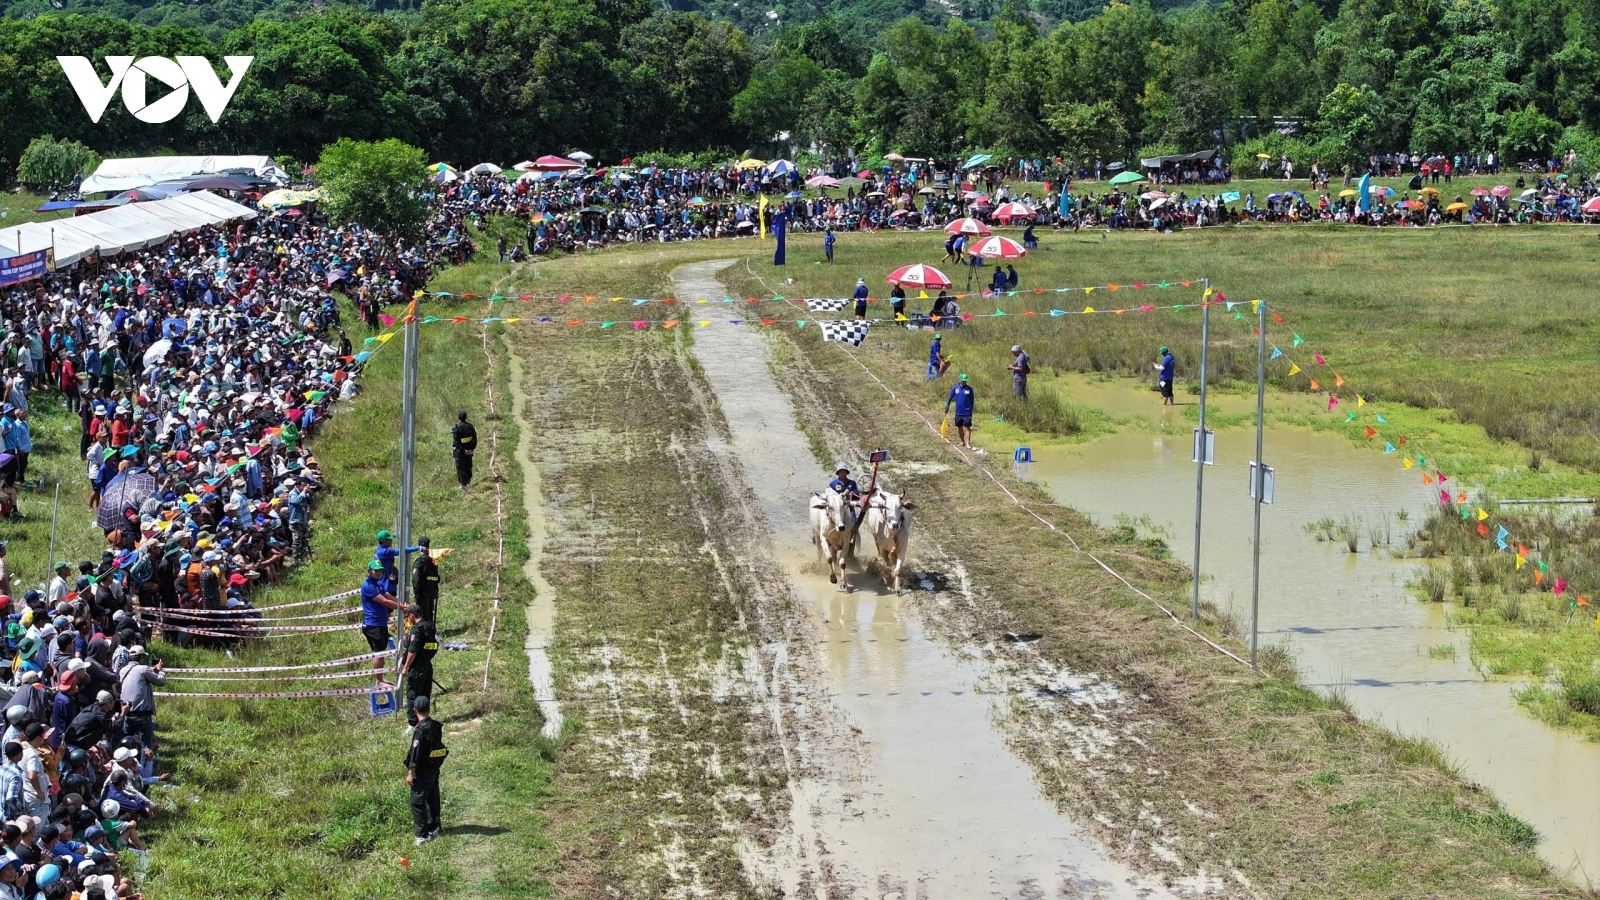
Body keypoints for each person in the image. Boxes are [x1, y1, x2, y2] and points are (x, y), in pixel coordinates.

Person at [405, 695, 447, 845]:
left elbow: (415, 754)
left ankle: (422, 835)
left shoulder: (420, 730)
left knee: (417, 801)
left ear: (415, 710)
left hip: (422, 771)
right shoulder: (436, 726)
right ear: (429, 708)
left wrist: (411, 773)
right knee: (432, 797)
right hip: (434, 768)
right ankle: (433, 826)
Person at [118, 648, 164, 758]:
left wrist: (152, 670)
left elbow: (137, 674)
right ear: (141, 657)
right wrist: (160, 670)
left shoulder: (123, 670)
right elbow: (161, 681)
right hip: (143, 713)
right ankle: (145, 767)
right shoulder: (144, 669)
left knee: (128, 743)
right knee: (146, 746)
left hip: (127, 713)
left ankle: (128, 764)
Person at [360, 561, 399, 687]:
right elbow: (384, 601)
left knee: (382, 651)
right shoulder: (368, 586)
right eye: (375, 570)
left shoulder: (379, 583)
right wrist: (401, 607)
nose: (378, 573)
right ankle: (379, 680)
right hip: (373, 624)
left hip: (381, 623)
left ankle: (381, 678)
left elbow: (387, 596)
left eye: (380, 570)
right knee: (378, 652)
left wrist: (400, 602)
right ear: (369, 571)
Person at [399, 604, 438, 727]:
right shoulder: (428, 626)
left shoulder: (416, 629)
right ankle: (424, 719)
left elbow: (413, 651)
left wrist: (405, 667)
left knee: (413, 694)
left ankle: (413, 723)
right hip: (427, 664)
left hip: (417, 667)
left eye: (408, 616)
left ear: (411, 616)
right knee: (425, 694)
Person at [412, 536, 441, 622]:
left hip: (422, 592)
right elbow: (436, 577)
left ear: (419, 546)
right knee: (430, 613)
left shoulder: (419, 562)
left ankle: (426, 629)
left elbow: (416, 578)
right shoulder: (433, 561)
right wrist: (436, 590)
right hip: (432, 591)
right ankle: (430, 628)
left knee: (422, 614)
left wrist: (416, 592)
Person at [945, 374, 977, 451]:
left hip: (967, 412)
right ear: (959, 380)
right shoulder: (955, 388)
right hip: (958, 412)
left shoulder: (969, 389)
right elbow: (949, 398)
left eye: (965, 381)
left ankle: (968, 443)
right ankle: (962, 442)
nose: (964, 382)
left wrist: (971, 410)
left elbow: (972, 400)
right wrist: (947, 407)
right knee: (959, 427)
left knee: (968, 427)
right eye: (962, 380)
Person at [451, 411, 477, 489]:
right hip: (469, 451)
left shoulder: (457, 428)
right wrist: (471, 449)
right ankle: (468, 482)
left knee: (461, 468)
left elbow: (457, 442)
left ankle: (464, 485)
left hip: (460, 452)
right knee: (468, 466)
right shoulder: (471, 427)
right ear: (466, 417)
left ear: (458, 418)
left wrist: (463, 451)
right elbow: (474, 439)